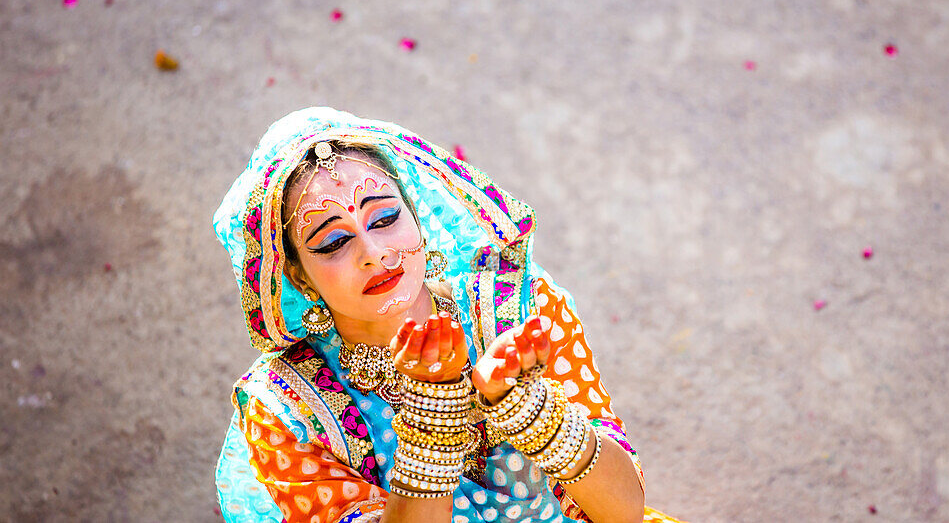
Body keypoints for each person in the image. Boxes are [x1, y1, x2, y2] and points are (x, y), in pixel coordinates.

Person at [213, 107, 684, 522]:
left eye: (384, 219)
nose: (374, 254)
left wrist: (529, 409)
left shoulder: (517, 310)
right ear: (296, 276)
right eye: (335, 242)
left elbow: (623, 513)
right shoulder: (283, 408)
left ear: (415, 214)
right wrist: (431, 424)